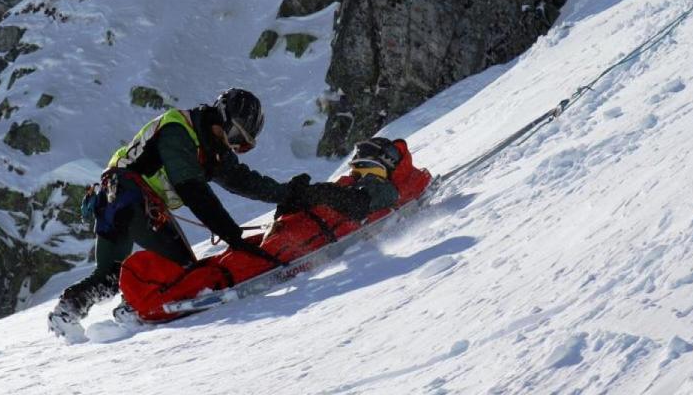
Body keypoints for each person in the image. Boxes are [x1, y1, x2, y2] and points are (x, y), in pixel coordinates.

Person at [49, 88, 302, 333]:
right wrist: (233, 236)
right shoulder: (178, 132)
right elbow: (193, 191)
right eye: (235, 135)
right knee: (183, 272)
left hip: (112, 200)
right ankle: (133, 308)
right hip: (132, 197)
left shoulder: (210, 145)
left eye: (243, 145)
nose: (233, 145)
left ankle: (68, 312)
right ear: (222, 117)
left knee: (110, 274)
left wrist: (288, 193)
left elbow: (242, 180)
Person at [119, 137, 433, 322]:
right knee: (227, 258)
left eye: (365, 165)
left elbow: (359, 204)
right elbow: (332, 204)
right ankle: (155, 286)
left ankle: (156, 295)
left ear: (384, 165)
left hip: (299, 242)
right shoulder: (355, 184)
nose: (358, 172)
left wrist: (313, 194)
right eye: (357, 166)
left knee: (233, 269)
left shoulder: (384, 188)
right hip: (291, 234)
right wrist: (292, 201)